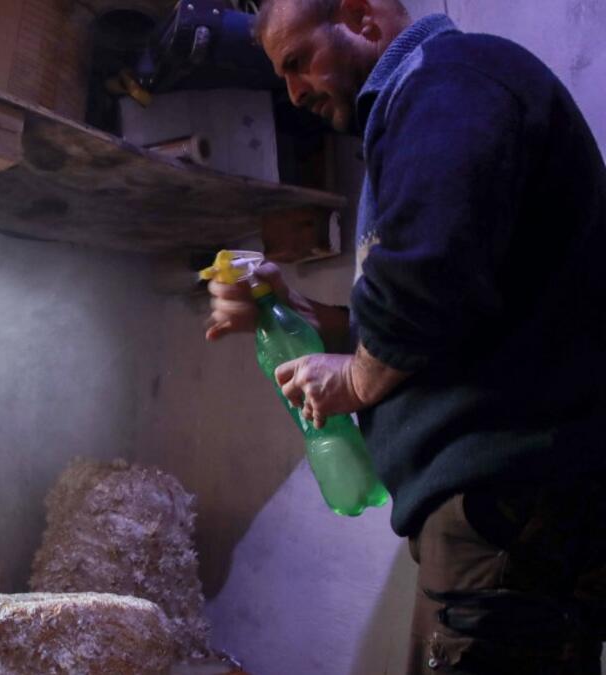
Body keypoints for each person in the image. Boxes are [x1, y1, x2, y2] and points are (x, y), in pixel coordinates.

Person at [206, 0, 606, 672]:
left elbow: (429, 270)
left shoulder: (448, 77)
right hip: (517, 504)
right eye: (285, 76)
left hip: (506, 503)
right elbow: (426, 311)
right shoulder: (434, 101)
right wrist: (291, 307)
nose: (294, 91)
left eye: (299, 62)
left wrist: (356, 379)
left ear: (361, 17)